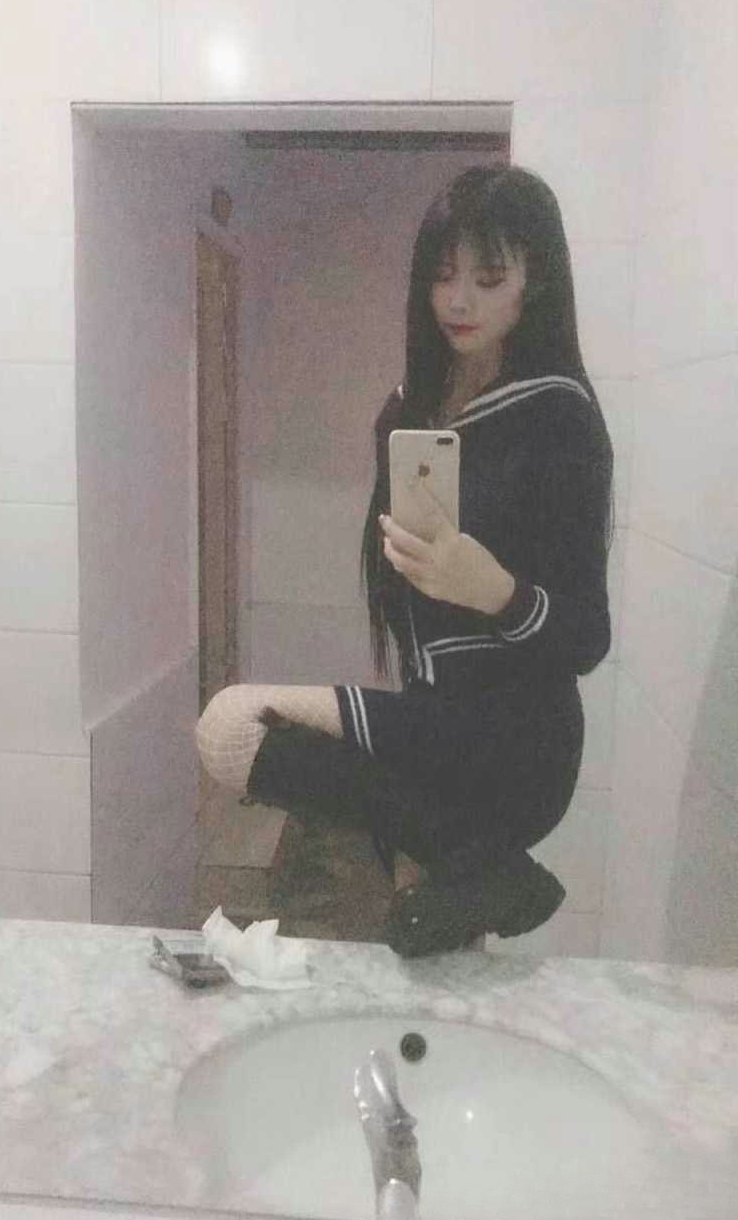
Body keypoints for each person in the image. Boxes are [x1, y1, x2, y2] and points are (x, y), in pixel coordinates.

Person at [196, 163, 614, 957]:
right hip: (436, 717)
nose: (458, 301)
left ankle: (488, 867)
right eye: (443, 275)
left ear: (534, 283)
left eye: (488, 279)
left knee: (229, 727)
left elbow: (587, 638)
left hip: (518, 743)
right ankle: (479, 868)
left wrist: (496, 591)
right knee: (431, 955)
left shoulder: (558, 416)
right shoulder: (411, 403)